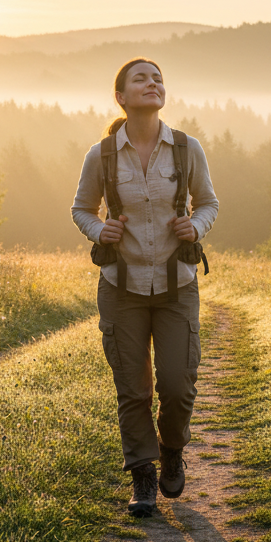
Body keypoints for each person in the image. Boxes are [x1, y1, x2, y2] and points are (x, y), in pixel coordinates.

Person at [71, 58, 218, 517]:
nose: (152, 83)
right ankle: (143, 474)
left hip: (177, 284)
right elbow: (81, 209)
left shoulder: (186, 148)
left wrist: (196, 226)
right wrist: (100, 231)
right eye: (141, 79)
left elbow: (209, 204)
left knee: (178, 384)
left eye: (158, 78)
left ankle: (172, 447)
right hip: (121, 286)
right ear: (121, 97)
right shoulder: (102, 155)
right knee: (132, 388)